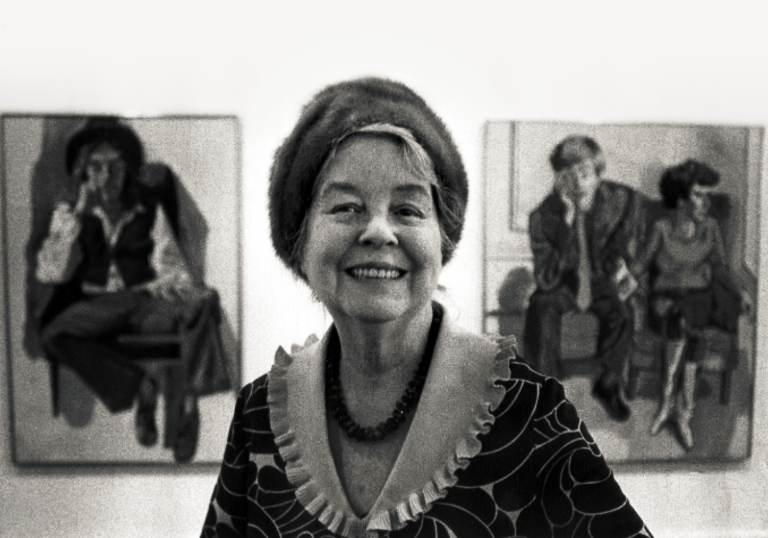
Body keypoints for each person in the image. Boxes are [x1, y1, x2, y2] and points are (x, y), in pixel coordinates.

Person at [201, 78, 652, 537]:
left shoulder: (528, 410)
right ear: (299, 240)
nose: (378, 231)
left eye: (408, 209)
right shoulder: (259, 416)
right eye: (345, 207)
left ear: (443, 237)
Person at [35, 118, 230, 462]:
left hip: (144, 299)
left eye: (114, 166)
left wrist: (175, 288)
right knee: (54, 333)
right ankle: (139, 385)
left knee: (203, 302)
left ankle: (187, 404)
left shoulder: (147, 207)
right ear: (83, 171)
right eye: (96, 167)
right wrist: (77, 214)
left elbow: (171, 263)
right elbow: (51, 272)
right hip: (97, 303)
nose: (106, 176)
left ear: (128, 169)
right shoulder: (72, 213)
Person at [523, 136, 645, 422]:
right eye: (567, 176)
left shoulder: (621, 202)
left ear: (599, 175)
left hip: (601, 279)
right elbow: (545, 278)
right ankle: (546, 394)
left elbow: (622, 245)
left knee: (622, 314)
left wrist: (622, 267)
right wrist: (566, 223)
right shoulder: (542, 217)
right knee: (539, 307)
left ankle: (607, 383)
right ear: (557, 178)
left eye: (585, 175)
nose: (577, 184)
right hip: (563, 283)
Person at [630, 159, 745, 451]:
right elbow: (640, 266)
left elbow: (720, 269)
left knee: (685, 317)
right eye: (698, 195)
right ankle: (683, 412)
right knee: (682, 320)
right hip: (666, 302)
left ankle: (669, 405)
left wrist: (738, 293)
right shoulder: (661, 229)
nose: (705, 202)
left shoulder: (711, 228)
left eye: (707, 194)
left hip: (700, 300)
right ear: (680, 200)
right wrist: (624, 281)